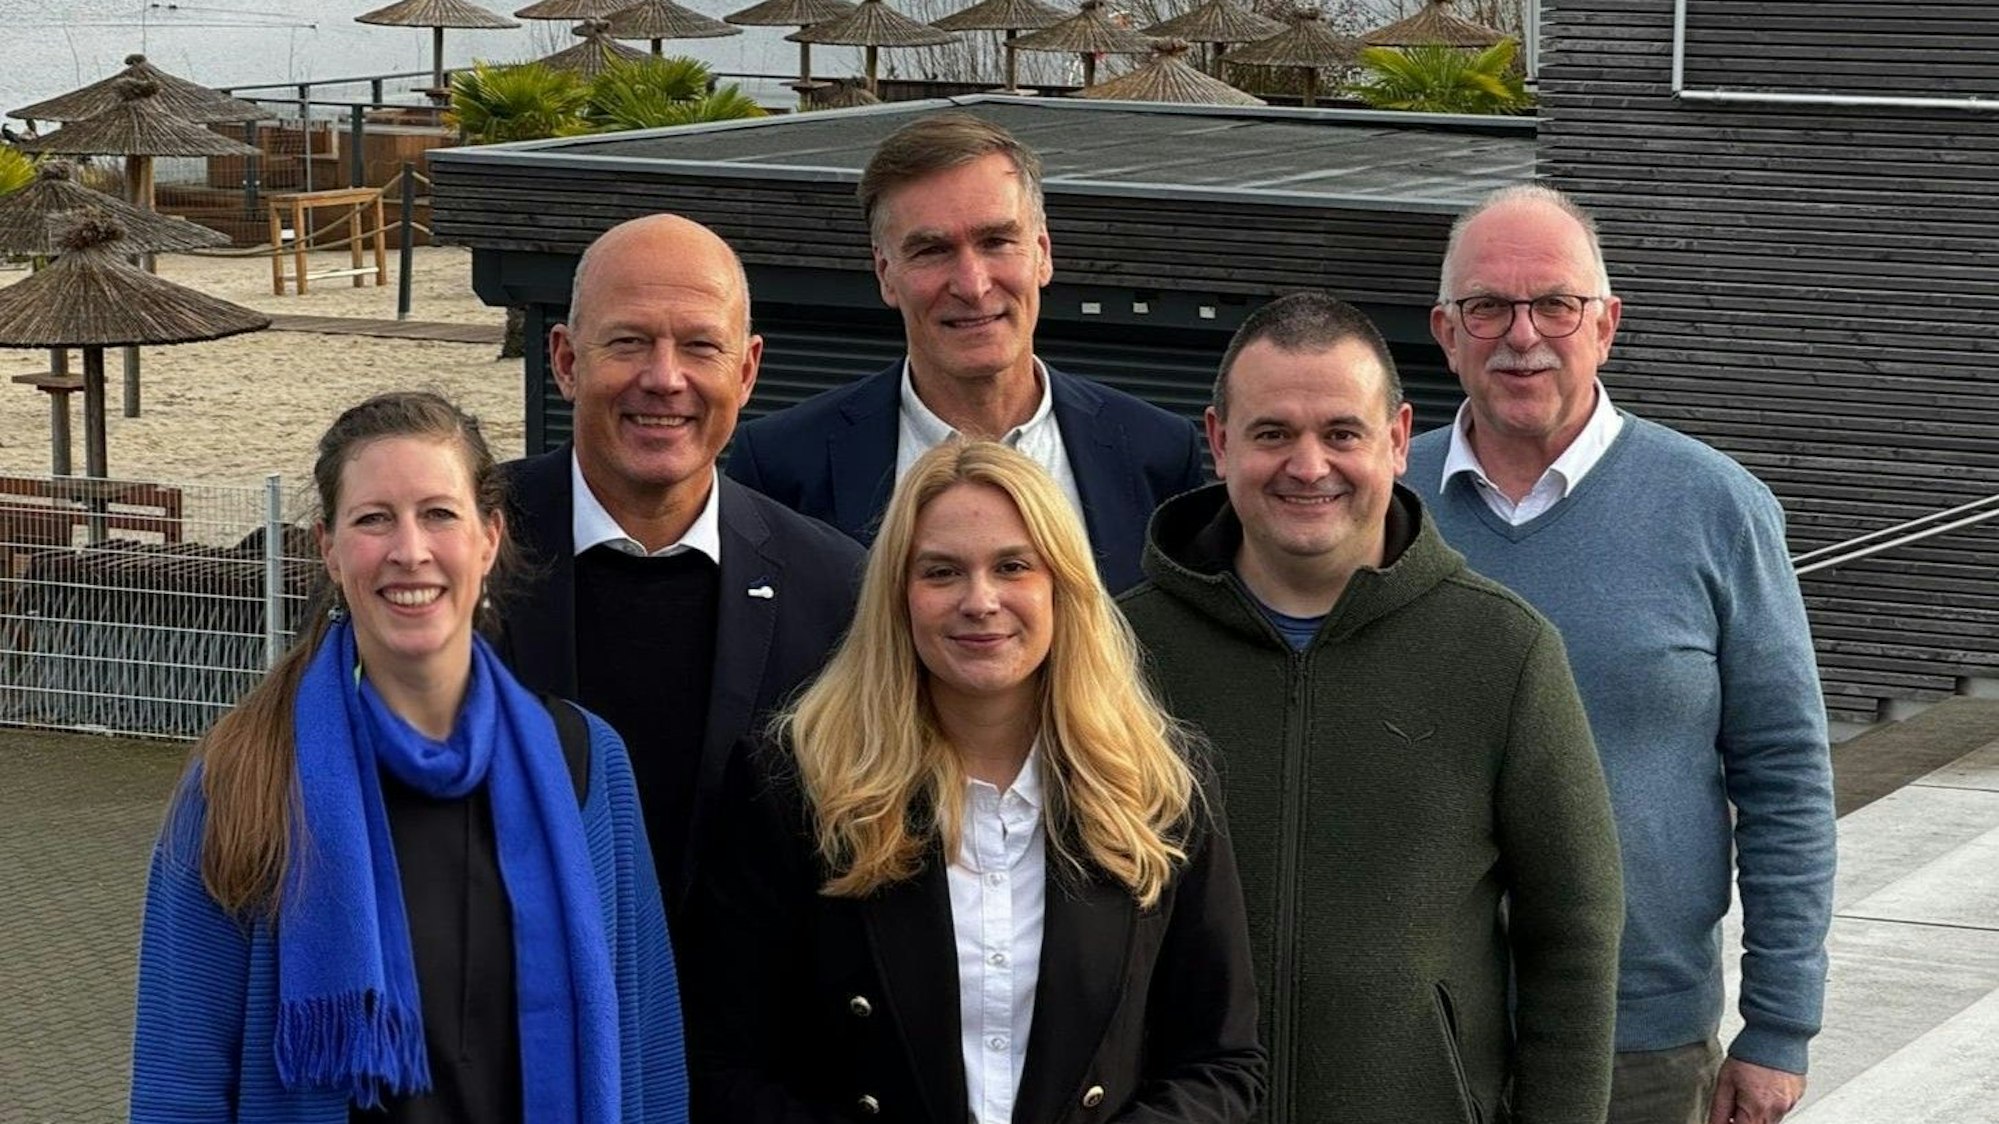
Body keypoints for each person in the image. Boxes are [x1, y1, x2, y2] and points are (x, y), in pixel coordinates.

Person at [1121, 291, 1623, 1124]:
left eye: (1341, 433)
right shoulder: (1116, 652)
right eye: (1272, 432)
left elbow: (1573, 928)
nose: (1307, 465)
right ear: (1217, 442)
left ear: (1396, 440)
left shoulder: (1502, 651)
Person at [1405, 184, 1837, 1124]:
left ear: (1605, 325)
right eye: (1488, 307)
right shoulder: (1381, 507)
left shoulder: (1717, 508)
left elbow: (1785, 779)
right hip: (1411, 1030)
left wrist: (1778, 1026)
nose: (1522, 335)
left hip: (1637, 1041)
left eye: (1555, 303)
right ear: (1445, 331)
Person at [130, 392, 685, 1123]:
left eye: (438, 514)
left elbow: (645, 1051)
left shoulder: (587, 764)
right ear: (329, 549)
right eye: (372, 519)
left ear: (488, 539)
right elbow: (181, 1077)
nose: (409, 551)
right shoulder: (244, 776)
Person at [688, 441, 1265, 1124]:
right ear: (897, 597)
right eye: (941, 572)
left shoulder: (1158, 789)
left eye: (1013, 566)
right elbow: (725, 1065)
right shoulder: (796, 786)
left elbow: (1222, 1063)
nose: (980, 601)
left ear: (1062, 587)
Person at [500, 214, 865, 929]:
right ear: (566, 362)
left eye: (700, 345)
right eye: (629, 341)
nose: (664, 379)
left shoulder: (835, 590)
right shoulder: (451, 558)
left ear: (747, 370)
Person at [724, 112, 1206, 593]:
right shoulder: (783, 467)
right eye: (932, 250)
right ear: (885, 272)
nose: (973, 285)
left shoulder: (1155, 453)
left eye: (996, 241)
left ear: (1042, 253)